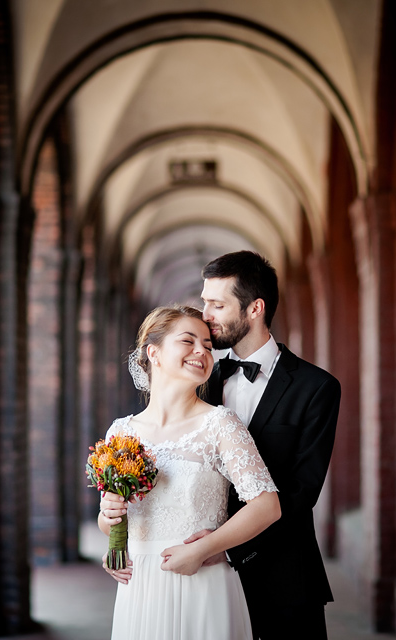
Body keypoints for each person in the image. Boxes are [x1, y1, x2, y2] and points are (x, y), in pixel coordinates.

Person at [97, 305, 280, 640]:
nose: (202, 351)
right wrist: (109, 527)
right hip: (140, 589)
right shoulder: (120, 433)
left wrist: (203, 549)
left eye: (208, 346)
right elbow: (111, 517)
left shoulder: (220, 424)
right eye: (188, 341)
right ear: (154, 352)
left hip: (203, 582)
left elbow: (267, 506)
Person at [191, 250, 341, 639]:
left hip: (283, 576)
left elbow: (300, 492)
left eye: (217, 304)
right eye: (204, 301)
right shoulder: (198, 381)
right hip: (200, 577)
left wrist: (226, 547)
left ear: (255, 308)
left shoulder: (317, 388)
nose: (205, 314)